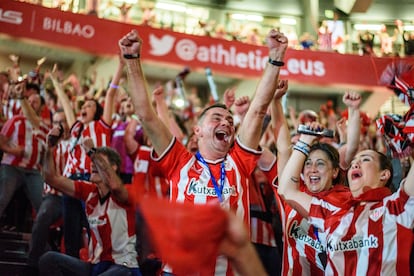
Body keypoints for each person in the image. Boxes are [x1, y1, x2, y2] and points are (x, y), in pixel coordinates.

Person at [118, 28, 288, 274]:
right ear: (197, 131)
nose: (226, 123)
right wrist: (132, 60)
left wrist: (275, 57)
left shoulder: (238, 162)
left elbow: (259, 108)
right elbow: (146, 115)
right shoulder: (179, 162)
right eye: (217, 118)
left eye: (230, 121)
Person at [278, 121, 414, 275]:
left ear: (384, 174)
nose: (355, 164)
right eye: (354, 162)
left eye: (365, 159)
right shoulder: (334, 210)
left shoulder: (397, 207)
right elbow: (286, 190)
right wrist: (305, 140)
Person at [39, 135, 141, 275]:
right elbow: (51, 178)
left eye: (98, 161)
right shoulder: (88, 192)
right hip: (95, 266)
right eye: (92, 160)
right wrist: (49, 148)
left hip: (124, 267)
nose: (92, 163)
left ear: (113, 167)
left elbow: (115, 185)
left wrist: (93, 152)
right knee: (48, 259)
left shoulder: (127, 191)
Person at [49, 63, 116, 258]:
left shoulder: (103, 125)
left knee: (92, 226)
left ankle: (99, 263)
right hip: (71, 180)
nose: (85, 106)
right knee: (71, 230)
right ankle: (70, 266)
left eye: (90, 105)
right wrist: (56, 83)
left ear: (97, 111)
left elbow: (111, 95)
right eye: (84, 105)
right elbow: (67, 105)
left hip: (90, 179)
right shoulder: (77, 127)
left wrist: (120, 65)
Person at [27, 109, 71, 272]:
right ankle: (32, 264)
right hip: (54, 196)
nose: (59, 126)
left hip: (73, 195)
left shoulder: (76, 142)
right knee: (42, 218)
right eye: (56, 122)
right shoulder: (50, 144)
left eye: (63, 121)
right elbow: (43, 170)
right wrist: (49, 147)